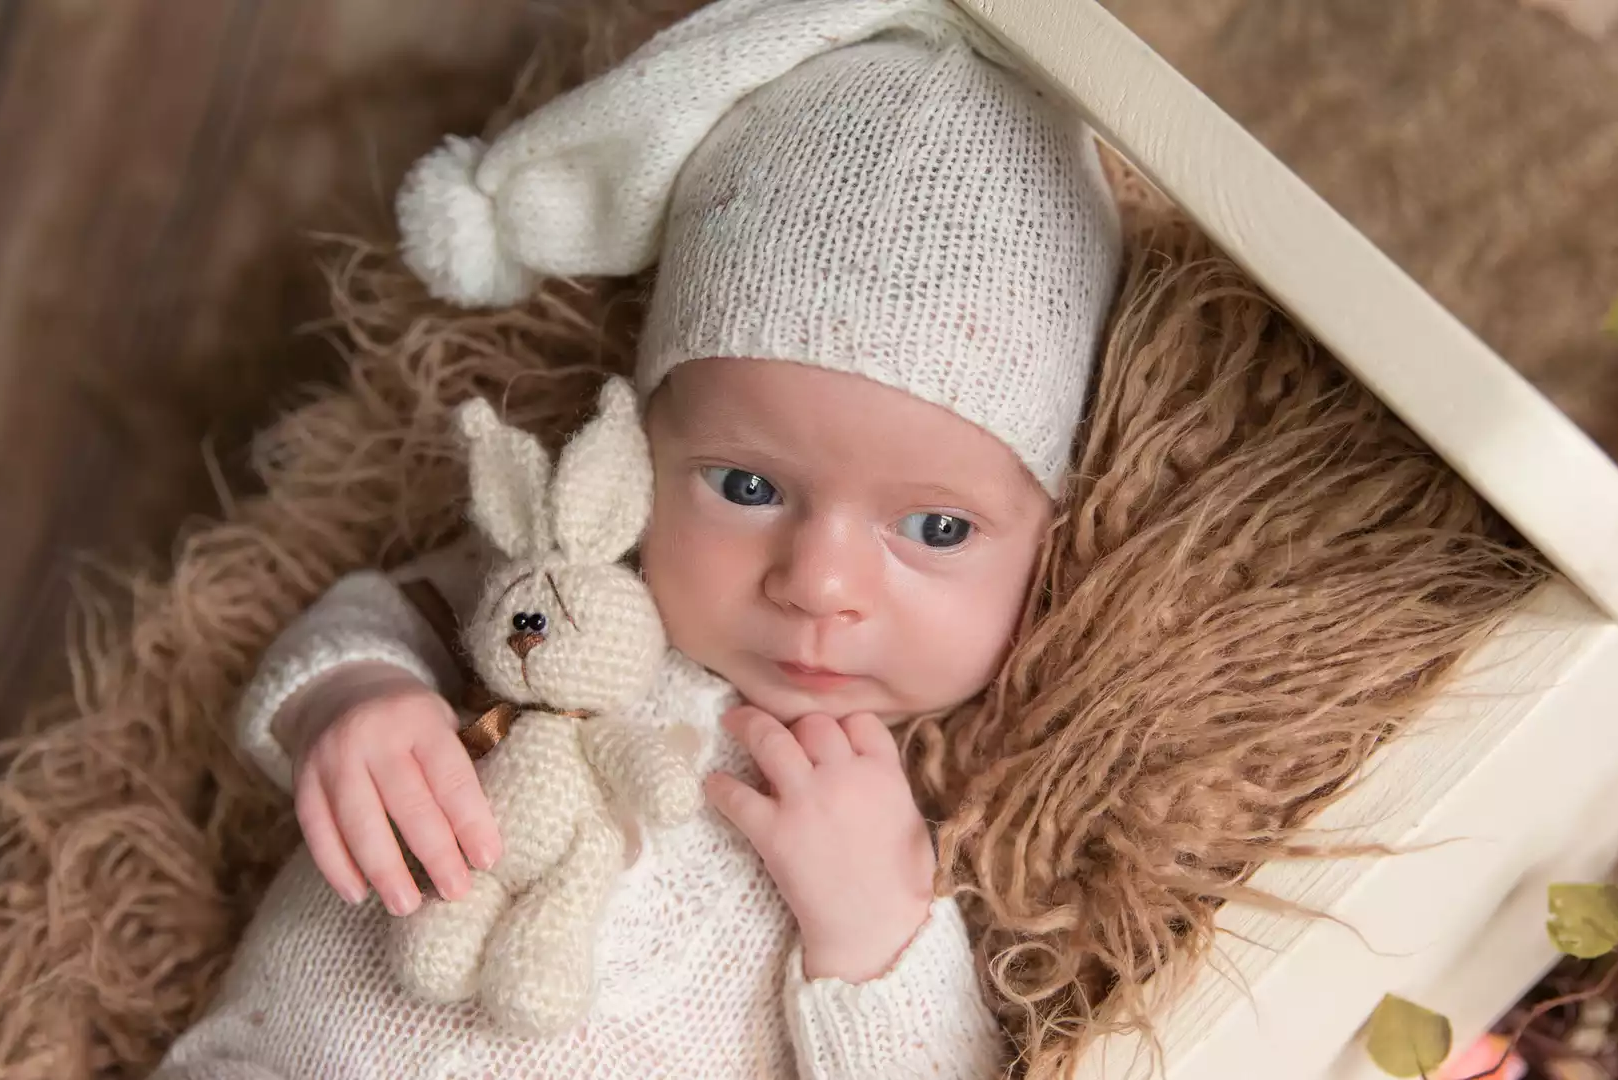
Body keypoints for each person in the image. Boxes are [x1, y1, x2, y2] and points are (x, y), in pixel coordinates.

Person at [149, 0, 1122, 1076]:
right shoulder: (571, 593)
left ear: (1047, 535)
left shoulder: (944, 817)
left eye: (937, 527)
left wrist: (875, 934)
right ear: (643, 444)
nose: (818, 581)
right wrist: (352, 702)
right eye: (747, 484)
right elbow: (378, 612)